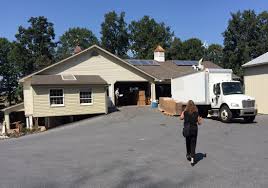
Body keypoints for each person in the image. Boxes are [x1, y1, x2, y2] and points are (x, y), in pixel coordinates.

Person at [180, 100, 202, 166]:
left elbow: (180, 118)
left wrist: (183, 113)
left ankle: (188, 154)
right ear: (194, 106)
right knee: (193, 143)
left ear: (187, 105)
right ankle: (192, 159)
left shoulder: (185, 112)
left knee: (188, 142)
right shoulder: (196, 113)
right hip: (194, 130)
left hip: (187, 129)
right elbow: (199, 123)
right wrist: (200, 120)